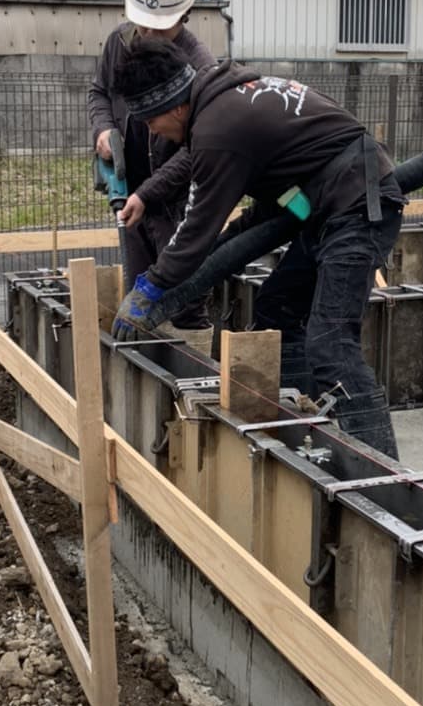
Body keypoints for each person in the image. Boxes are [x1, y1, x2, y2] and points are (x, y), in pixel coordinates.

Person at [110, 40, 403, 459]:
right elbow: (259, 212)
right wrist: (218, 250)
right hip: (327, 204)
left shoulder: (217, 129)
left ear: (173, 106)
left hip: (355, 207)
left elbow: (196, 230)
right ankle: (305, 424)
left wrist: (150, 289)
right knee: (277, 306)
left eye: (150, 120)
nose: (152, 132)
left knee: (331, 344)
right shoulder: (224, 101)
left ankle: (382, 471)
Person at [88, 0, 215, 334]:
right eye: (144, 26)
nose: (149, 36)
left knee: (184, 296)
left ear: (184, 15)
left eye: (161, 28)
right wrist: (103, 130)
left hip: (176, 202)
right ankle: (146, 359)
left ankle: (191, 358)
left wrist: (150, 193)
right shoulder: (120, 42)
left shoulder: (200, 66)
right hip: (130, 192)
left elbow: (197, 152)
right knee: (139, 292)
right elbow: (99, 92)